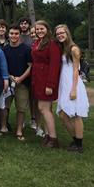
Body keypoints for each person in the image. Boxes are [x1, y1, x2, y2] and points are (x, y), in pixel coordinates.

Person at [55, 24, 89, 153]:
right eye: (58, 34)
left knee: (75, 114)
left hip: (73, 84)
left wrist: (73, 89)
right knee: (62, 114)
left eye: (62, 33)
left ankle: (79, 144)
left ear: (67, 33)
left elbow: (76, 70)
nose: (60, 35)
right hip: (63, 84)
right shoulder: (62, 48)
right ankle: (75, 139)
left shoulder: (74, 49)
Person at [0, 25, 32, 141]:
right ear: (9, 34)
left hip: (22, 83)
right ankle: (3, 127)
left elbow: (30, 66)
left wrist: (21, 78)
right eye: (12, 33)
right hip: (7, 83)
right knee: (4, 106)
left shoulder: (26, 49)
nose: (14, 36)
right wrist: (8, 76)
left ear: (19, 35)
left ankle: (19, 130)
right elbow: (1, 66)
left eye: (16, 34)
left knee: (21, 108)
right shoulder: (4, 50)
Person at [31, 20, 61, 148]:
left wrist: (50, 84)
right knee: (44, 109)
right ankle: (48, 135)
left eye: (41, 29)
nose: (39, 31)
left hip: (46, 81)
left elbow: (54, 66)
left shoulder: (52, 44)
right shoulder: (38, 43)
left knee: (44, 109)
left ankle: (53, 138)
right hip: (38, 79)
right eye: (37, 29)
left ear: (47, 29)